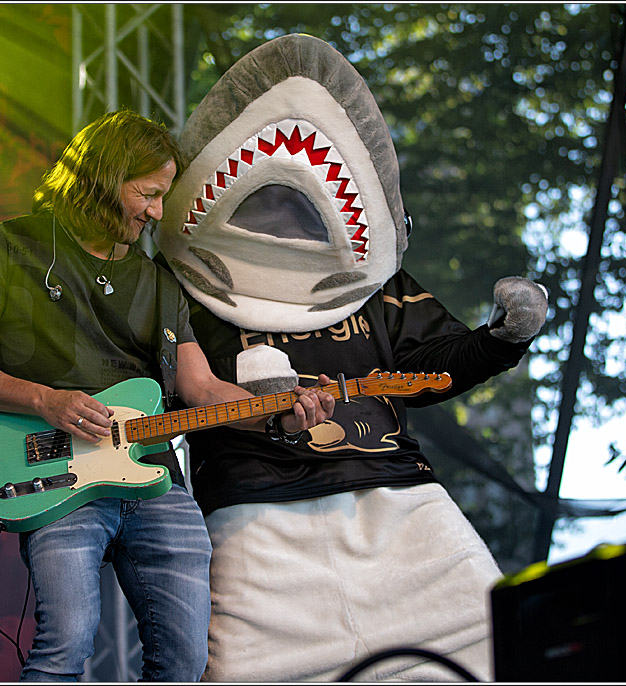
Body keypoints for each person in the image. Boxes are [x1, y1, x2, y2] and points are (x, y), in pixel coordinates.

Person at [154, 35, 548, 681]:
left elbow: (428, 371)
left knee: (492, 658)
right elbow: (149, 391)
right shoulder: (170, 291)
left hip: (401, 504)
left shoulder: (382, 287)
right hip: (254, 514)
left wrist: (500, 338)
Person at [0, 109, 335, 682]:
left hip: (154, 479)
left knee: (184, 663)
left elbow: (201, 390)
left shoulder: (158, 281)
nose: (155, 212)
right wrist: (47, 400)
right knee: (64, 649)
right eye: (147, 193)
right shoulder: (13, 247)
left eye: (162, 197)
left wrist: (282, 415)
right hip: (55, 473)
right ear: (102, 177)